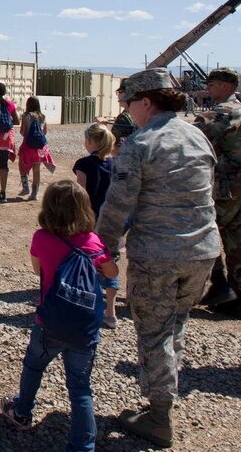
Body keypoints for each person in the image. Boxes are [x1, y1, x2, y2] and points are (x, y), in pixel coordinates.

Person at [95, 68, 219, 448]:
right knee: (175, 324)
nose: (127, 110)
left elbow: (117, 206)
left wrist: (102, 249)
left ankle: (159, 415)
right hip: (202, 252)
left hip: (158, 256)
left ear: (146, 101)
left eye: (129, 102)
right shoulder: (196, 135)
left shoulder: (140, 143)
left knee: (154, 332)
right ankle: (166, 397)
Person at [1, 180, 118, 452]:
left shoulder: (42, 238)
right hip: (84, 327)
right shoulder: (93, 241)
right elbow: (112, 274)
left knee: (34, 366)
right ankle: (82, 446)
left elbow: (37, 272)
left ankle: (22, 411)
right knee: (80, 388)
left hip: (49, 321)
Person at [195, 68, 241, 320]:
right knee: (236, 242)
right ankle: (238, 299)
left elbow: (194, 133)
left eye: (213, 84)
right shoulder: (239, 109)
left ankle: (220, 285)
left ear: (226, 86)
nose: (208, 88)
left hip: (225, 189)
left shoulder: (225, 111)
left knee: (204, 232)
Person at [73, 123, 119, 329]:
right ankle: (111, 311)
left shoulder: (83, 164)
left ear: (90, 141)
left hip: (90, 220)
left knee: (87, 263)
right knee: (111, 262)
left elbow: (81, 194)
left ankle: (86, 307)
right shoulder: (116, 165)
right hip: (113, 220)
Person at [17, 96, 56, 201]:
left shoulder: (26, 116)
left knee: (22, 164)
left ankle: (25, 187)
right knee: (36, 169)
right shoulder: (42, 116)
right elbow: (45, 132)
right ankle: (34, 194)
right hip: (40, 147)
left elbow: (22, 132)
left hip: (28, 145)